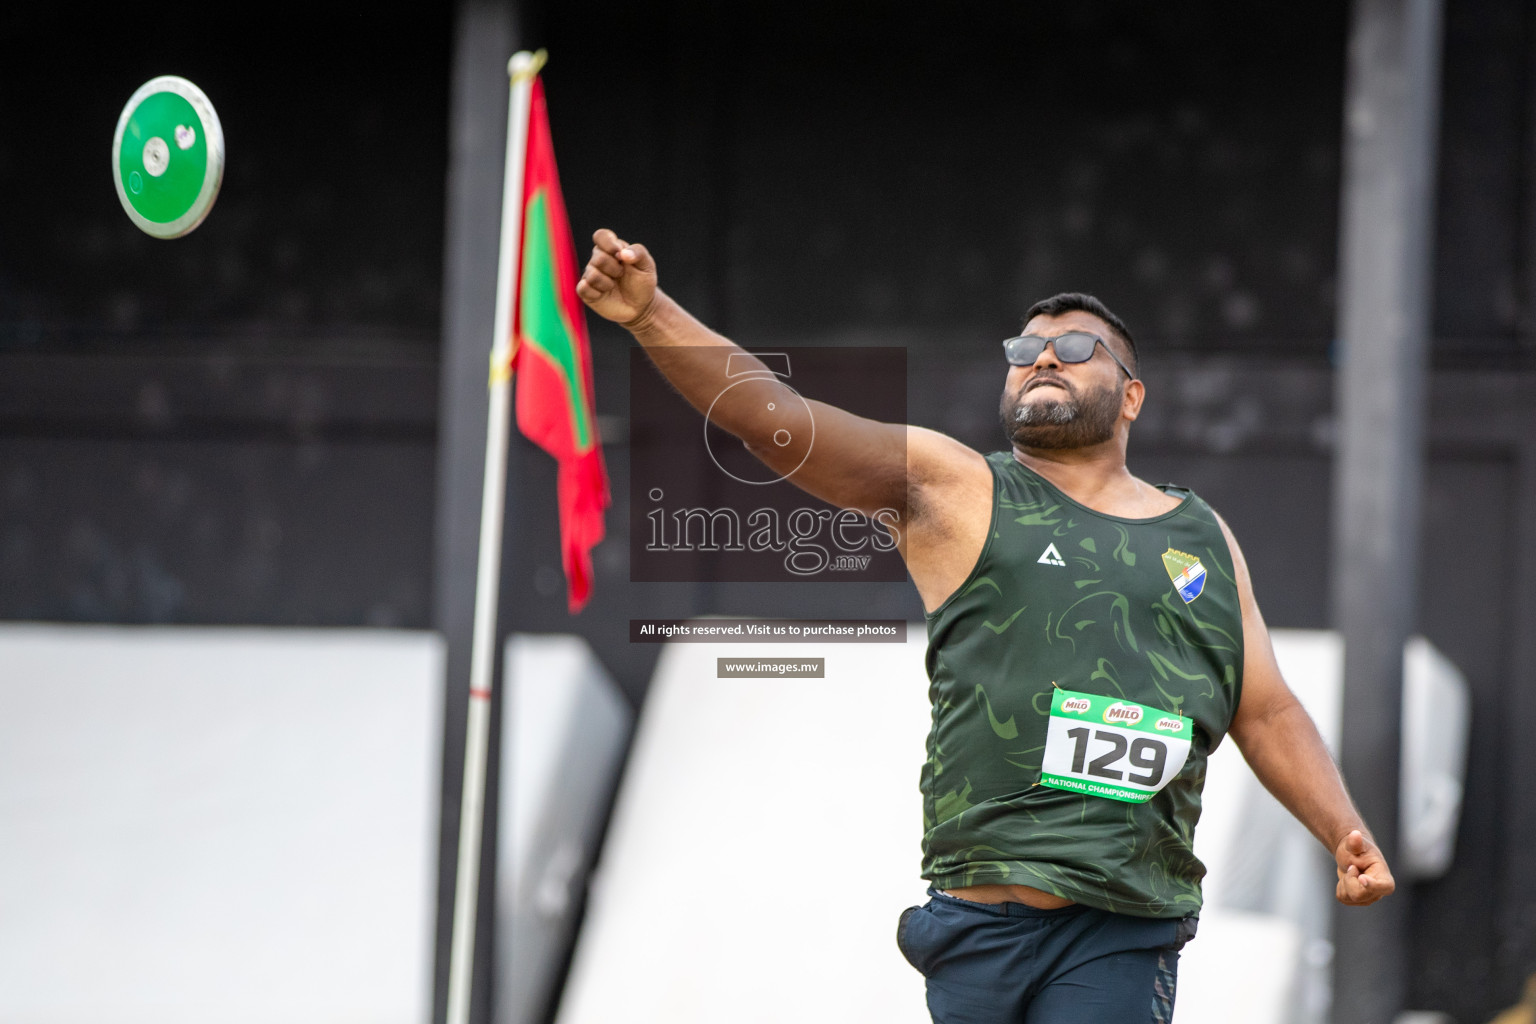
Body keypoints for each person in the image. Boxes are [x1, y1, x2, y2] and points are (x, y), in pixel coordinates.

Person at [576, 228, 1394, 1024]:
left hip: (1119, 923)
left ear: (1132, 396)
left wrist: (1342, 830)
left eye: (1076, 349)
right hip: (974, 926)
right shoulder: (957, 486)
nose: (1041, 357)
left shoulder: (1202, 536)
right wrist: (652, 316)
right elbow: (777, 418)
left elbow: (1266, 709)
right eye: (1023, 350)